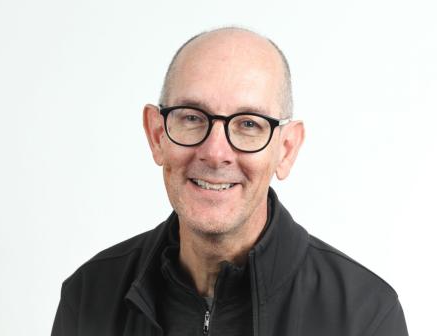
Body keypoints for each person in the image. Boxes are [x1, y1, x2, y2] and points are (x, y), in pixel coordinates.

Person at [52, 27, 408, 336]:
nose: (215, 152)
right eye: (191, 117)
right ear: (157, 134)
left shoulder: (365, 316)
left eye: (249, 124)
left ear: (286, 149)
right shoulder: (90, 295)